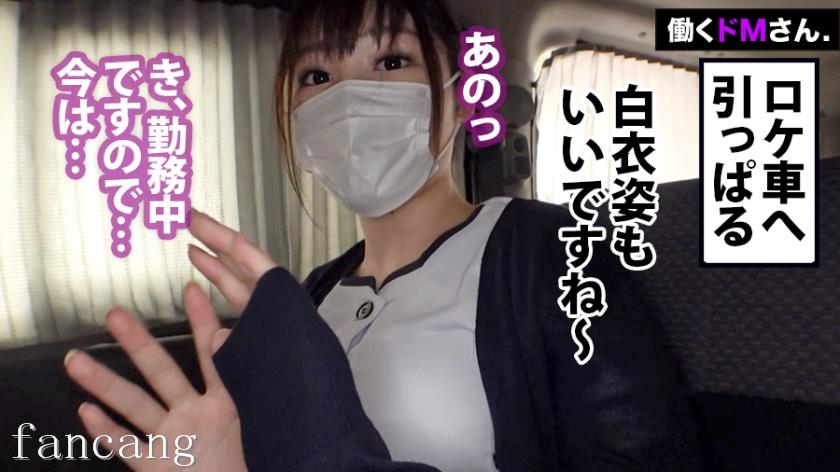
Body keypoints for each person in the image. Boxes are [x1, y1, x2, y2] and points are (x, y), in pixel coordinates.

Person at [63, 0, 701, 470]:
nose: (348, 98)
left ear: (461, 97)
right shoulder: (311, 295)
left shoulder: (550, 250)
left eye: (392, 61)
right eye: (316, 76)